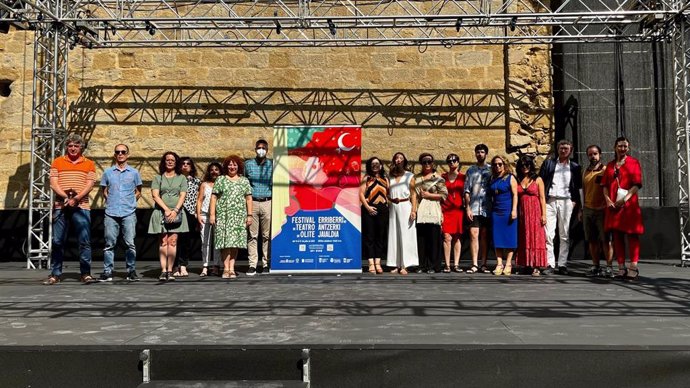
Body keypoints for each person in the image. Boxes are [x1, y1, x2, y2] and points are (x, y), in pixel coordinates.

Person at [43, 134, 96, 285]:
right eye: (70, 145)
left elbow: (90, 184)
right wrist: (66, 198)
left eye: (76, 146)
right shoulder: (57, 162)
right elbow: (53, 183)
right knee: (58, 241)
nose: (73, 148)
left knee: (84, 242)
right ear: (66, 147)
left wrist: (76, 198)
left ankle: (85, 273)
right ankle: (55, 274)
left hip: (82, 207)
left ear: (81, 148)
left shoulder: (89, 163)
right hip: (61, 206)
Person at [602, 136, 644, 280]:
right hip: (613, 206)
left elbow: (636, 184)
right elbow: (605, 186)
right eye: (620, 146)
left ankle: (633, 266)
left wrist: (624, 199)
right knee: (617, 236)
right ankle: (621, 268)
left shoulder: (634, 163)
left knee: (632, 235)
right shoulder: (610, 165)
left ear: (628, 147)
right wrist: (608, 200)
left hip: (629, 205)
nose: (622, 148)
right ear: (615, 147)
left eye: (625, 146)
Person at [99, 143, 143, 282]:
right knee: (109, 244)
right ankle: (107, 271)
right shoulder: (107, 172)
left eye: (123, 152)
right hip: (111, 212)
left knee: (130, 243)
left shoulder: (134, 173)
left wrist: (130, 202)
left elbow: (138, 191)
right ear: (114, 155)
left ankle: (131, 271)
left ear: (127, 154)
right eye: (117, 152)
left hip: (128, 212)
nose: (120, 154)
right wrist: (112, 200)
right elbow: (104, 191)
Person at [538, 139, 582, 275]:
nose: (563, 150)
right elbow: (540, 181)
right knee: (548, 234)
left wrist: (576, 202)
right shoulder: (549, 163)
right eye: (561, 148)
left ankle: (562, 264)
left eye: (566, 148)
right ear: (557, 149)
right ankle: (549, 263)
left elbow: (579, 186)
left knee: (564, 235)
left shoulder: (575, 167)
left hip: (566, 201)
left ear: (571, 150)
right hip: (550, 200)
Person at [210, 155, 253, 279]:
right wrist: (212, 214)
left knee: (235, 243)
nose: (232, 167)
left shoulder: (244, 180)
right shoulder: (221, 179)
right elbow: (214, 197)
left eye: (234, 164)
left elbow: (249, 198)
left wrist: (249, 215)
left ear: (238, 166)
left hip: (239, 216)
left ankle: (232, 268)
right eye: (230, 164)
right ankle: (226, 268)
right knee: (225, 243)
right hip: (224, 216)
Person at [149, 152, 188, 281]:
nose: (170, 162)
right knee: (163, 241)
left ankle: (170, 270)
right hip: (161, 212)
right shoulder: (157, 178)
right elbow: (155, 195)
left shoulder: (181, 178)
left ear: (176, 162)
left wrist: (175, 210)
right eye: (167, 160)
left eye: (172, 160)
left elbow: (183, 195)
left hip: (176, 213)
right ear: (164, 162)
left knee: (173, 242)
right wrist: (166, 210)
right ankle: (163, 270)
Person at [581, 145, 614, 277]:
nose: (593, 157)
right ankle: (595, 266)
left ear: (600, 155)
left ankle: (609, 267)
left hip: (602, 210)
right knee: (592, 240)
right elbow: (582, 191)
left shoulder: (606, 170)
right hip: (588, 210)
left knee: (606, 240)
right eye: (590, 154)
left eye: (595, 154)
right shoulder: (585, 171)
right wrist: (581, 210)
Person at [386, 152, 419, 274]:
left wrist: (414, 210)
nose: (398, 160)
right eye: (396, 158)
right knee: (393, 235)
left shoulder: (409, 176)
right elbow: (387, 192)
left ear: (404, 161)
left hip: (405, 205)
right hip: (393, 206)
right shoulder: (389, 176)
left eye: (401, 158)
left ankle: (405, 264)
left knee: (406, 235)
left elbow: (414, 194)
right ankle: (395, 264)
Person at [415, 153, 448, 273]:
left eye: (429, 161)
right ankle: (422, 265)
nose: (427, 164)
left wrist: (430, 195)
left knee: (434, 239)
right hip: (420, 210)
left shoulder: (438, 178)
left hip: (433, 209)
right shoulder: (417, 178)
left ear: (433, 163)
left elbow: (444, 195)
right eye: (424, 162)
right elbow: (414, 195)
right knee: (421, 239)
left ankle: (433, 266)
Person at [245, 139, 274, 276]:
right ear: (255, 149)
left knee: (267, 235)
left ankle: (266, 263)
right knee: (252, 235)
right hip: (253, 202)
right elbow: (245, 183)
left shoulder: (272, 164)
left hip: (268, 201)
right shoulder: (248, 164)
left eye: (263, 148)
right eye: (258, 148)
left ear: (267, 150)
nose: (260, 150)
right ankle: (252, 264)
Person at [515, 155, 547, 276]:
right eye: (522, 165)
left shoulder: (537, 179)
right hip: (522, 212)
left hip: (535, 211)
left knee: (536, 237)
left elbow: (543, 198)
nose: (525, 167)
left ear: (531, 165)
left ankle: (536, 265)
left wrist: (544, 215)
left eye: (527, 165)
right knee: (524, 237)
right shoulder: (518, 179)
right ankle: (526, 264)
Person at [464, 144, 492, 274]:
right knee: (473, 234)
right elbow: (466, 191)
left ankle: (484, 263)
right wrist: (467, 208)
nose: (480, 154)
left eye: (482, 152)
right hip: (474, 207)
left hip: (487, 207)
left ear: (486, 154)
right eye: (478, 152)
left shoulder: (491, 170)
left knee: (485, 236)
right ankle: (474, 263)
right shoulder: (471, 170)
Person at [359, 156, 389, 274]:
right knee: (370, 237)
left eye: (377, 163)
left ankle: (378, 262)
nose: (375, 165)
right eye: (373, 164)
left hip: (382, 209)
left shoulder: (385, 179)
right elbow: (361, 194)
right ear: (370, 166)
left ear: (381, 166)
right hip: (369, 208)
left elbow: (389, 193)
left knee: (380, 237)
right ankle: (371, 263)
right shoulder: (366, 178)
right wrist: (367, 207)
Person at [489, 155, 518, 276]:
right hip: (496, 211)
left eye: (500, 164)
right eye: (495, 164)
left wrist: (514, 210)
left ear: (504, 164)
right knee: (497, 238)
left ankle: (509, 264)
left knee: (510, 238)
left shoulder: (510, 178)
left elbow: (515, 195)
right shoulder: (492, 178)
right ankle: (499, 263)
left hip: (508, 210)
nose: (497, 166)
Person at [174, 156, 201, 277]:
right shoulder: (174, 179)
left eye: (188, 163)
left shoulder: (196, 181)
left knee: (186, 241)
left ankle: (183, 264)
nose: (185, 165)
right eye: (183, 163)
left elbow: (199, 198)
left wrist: (197, 212)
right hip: (176, 211)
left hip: (190, 213)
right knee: (174, 240)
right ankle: (174, 266)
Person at [196, 162, 222, 277]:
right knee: (205, 242)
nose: (214, 172)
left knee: (217, 242)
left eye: (216, 169)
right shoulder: (204, 184)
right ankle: (205, 266)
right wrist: (198, 215)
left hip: (219, 215)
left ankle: (216, 265)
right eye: (212, 170)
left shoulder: (222, 184)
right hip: (205, 215)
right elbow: (199, 200)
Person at [441, 153, 465, 273]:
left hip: (458, 210)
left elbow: (467, 194)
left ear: (458, 162)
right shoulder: (442, 177)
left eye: (454, 160)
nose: (452, 162)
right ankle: (447, 264)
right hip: (446, 210)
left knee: (457, 237)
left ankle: (456, 264)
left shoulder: (463, 177)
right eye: (449, 161)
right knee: (446, 237)